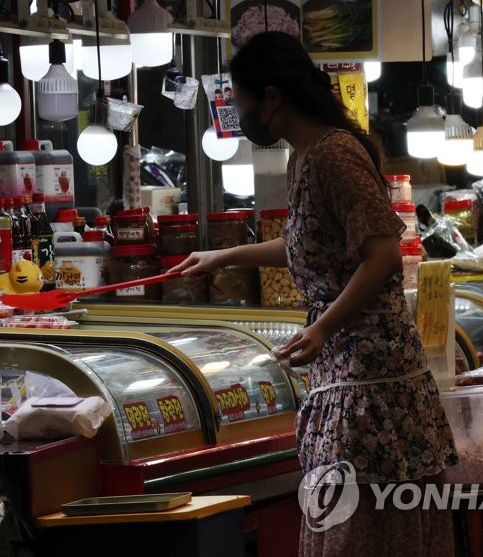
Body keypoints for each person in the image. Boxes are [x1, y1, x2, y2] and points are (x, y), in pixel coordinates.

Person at [171, 31, 457, 556]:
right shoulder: (303, 158)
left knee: (362, 522)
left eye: (241, 99)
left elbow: (383, 255)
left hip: (373, 378)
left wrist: (323, 326)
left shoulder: (335, 155)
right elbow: (312, 244)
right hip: (344, 372)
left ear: (273, 97)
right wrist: (224, 256)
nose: (238, 111)